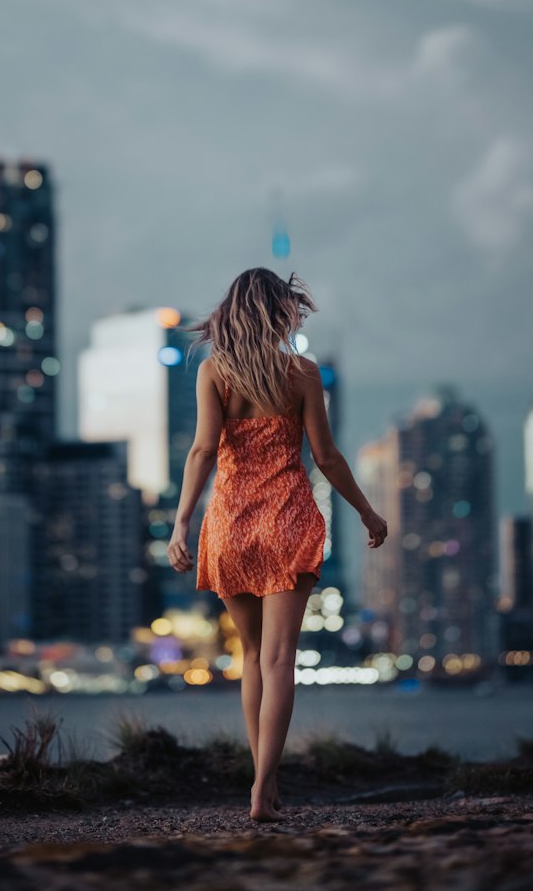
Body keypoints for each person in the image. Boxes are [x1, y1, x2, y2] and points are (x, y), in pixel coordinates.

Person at [167, 267, 389, 822]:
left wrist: (180, 524)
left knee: (250, 657)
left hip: (232, 526)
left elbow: (201, 452)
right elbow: (329, 457)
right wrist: (366, 511)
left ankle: (260, 782)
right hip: (287, 520)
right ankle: (264, 786)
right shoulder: (303, 373)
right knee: (280, 659)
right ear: (277, 311)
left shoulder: (214, 371)